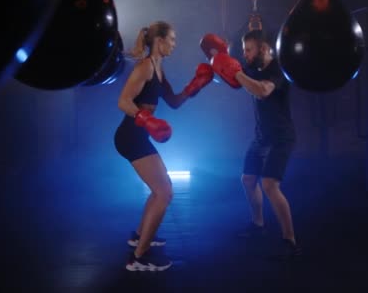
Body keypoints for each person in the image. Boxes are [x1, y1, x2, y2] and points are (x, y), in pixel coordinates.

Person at [115, 21, 214, 271]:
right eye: (171, 39)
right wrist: (146, 119)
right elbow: (124, 101)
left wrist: (195, 86)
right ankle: (138, 257)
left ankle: (139, 236)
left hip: (138, 135)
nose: (174, 43)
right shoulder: (146, 67)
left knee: (160, 190)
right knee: (165, 192)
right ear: (159, 41)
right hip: (130, 135)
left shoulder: (159, 69)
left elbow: (173, 102)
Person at [207, 29, 302, 260]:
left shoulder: (278, 69)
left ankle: (290, 240)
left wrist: (236, 72)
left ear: (263, 48)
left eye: (249, 50)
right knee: (248, 180)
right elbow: (230, 77)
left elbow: (262, 90)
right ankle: (258, 224)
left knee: (270, 185)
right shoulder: (251, 67)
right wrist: (217, 61)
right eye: (243, 51)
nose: (245, 55)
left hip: (281, 136)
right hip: (262, 136)